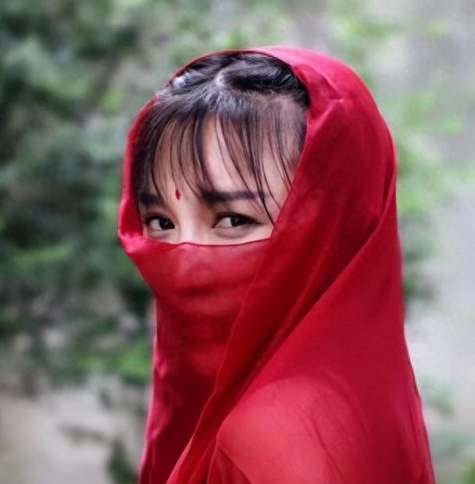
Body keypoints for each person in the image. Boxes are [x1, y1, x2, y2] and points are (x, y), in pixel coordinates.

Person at [118, 46, 435, 483]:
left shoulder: (269, 435)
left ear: (330, 229)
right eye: (160, 222)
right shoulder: (359, 392)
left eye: (233, 220)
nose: (184, 262)